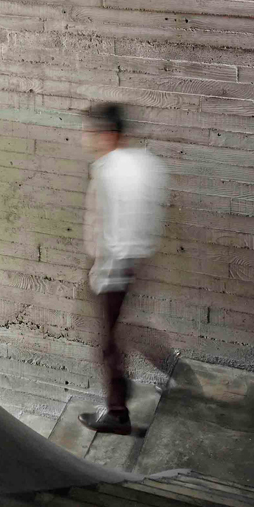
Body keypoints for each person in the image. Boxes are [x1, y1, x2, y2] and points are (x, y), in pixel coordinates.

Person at [79, 101, 170, 435]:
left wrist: (101, 273)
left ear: (109, 134)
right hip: (133, 262)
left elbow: (113, 231)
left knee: (107, 341)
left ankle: (118, 414)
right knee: (118, 329)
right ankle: (164, 364)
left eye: (91, 132)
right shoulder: (146, 163)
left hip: (113, 267)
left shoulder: (108, 172)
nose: (86, 138)